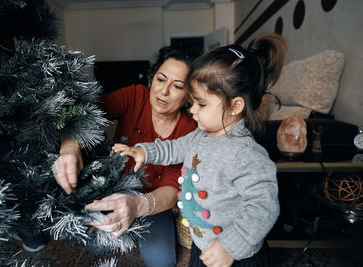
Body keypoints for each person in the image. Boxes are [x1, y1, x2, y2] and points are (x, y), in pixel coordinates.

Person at [112, 33, 286, 267]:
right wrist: (145, 151)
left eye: (201, 104)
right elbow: (175, 148)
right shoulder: (201, 134)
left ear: (235, 106)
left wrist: (230, 246)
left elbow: (263, 207)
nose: (192, 110)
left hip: (235, 254)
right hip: (202, 243)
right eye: (192, 102)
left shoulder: (246, 154)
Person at [53, 44, 200, 266]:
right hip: (117, 189)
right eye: (161, 79)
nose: (164, 91)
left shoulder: (190, 128)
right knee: (98, 246)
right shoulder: (135, 96)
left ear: (189, 96)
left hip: (154, 202)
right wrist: (70, 147)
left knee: (161, 261)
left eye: (177, 86)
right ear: (153, 78)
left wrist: (138, 206)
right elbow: (86, 113)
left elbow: (172, 187)